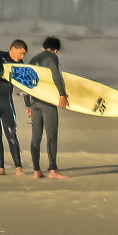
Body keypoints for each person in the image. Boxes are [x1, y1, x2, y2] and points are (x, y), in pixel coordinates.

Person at [24, 36, 70, 179]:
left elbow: (25, 82)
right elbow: (56, 76)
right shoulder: (52, 58)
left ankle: (36, 171)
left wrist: (27, 104)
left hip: (34, 103)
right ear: (55, 50)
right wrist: (62, 95)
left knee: (36, 138)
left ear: (43, 47)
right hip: (48, 104)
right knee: (51, 136)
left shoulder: (33, 59)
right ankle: (52, 171)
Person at [0, 39, 28, 175]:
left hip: (6, 103)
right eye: (21, 54)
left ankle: (18, 168)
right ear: (13, 49)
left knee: (11, 134)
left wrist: (28, 104)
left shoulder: (20, 64)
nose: (22, 57)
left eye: (24, 55)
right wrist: (13, 73)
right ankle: (0, 168)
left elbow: (24, 85)